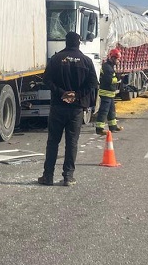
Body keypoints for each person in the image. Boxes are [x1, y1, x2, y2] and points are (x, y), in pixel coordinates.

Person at [38, 31, 98, 186]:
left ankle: (48, 176)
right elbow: (92, 84)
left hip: (58, 106)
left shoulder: (56, 59)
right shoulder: (86, 61)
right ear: (79, 43)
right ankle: (68, 177)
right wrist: (77, 96)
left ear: (66, 42)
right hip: (76, 109)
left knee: (53, 142)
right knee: (72, 142)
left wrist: (61, 93)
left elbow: (46, 80)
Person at [95, 48, 124, 136]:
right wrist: (118, 78)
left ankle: (113, 126)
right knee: (104, 111)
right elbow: (110, 80)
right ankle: (99, 129)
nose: (118, 61)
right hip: (106, 92)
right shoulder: (107, 67)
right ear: (112, 58)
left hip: (110, 93)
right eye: (117, 59)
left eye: (118, 59)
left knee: (112, 111)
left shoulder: (110, 66)